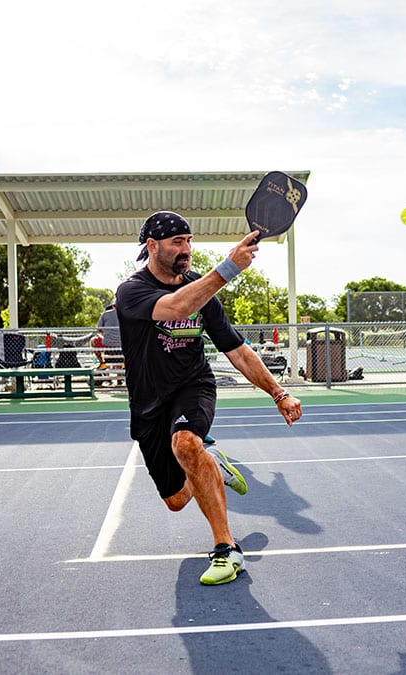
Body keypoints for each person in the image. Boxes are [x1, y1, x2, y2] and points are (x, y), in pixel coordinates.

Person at [116, 211, 302, 586]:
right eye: (176, 242)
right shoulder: (132, 291)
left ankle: (226, 550)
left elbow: (236, 349)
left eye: (189, 241)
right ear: (151, 246)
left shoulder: (203, 290)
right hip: (149, 403)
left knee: (185, 443)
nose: (186, 249)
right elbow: (176, 307)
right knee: (177, 500)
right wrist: (229, 268)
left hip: (193, 386)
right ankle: (211, 463)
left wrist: (277, 392)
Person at [94, 299, 122, 369]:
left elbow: (98, 329)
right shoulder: (126, 314)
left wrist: (106, 333)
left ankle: (102, 363)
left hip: (107, 343)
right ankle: (119, 376)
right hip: (121, 344)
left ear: (113, 306)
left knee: (93, 340)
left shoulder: (105, 314)